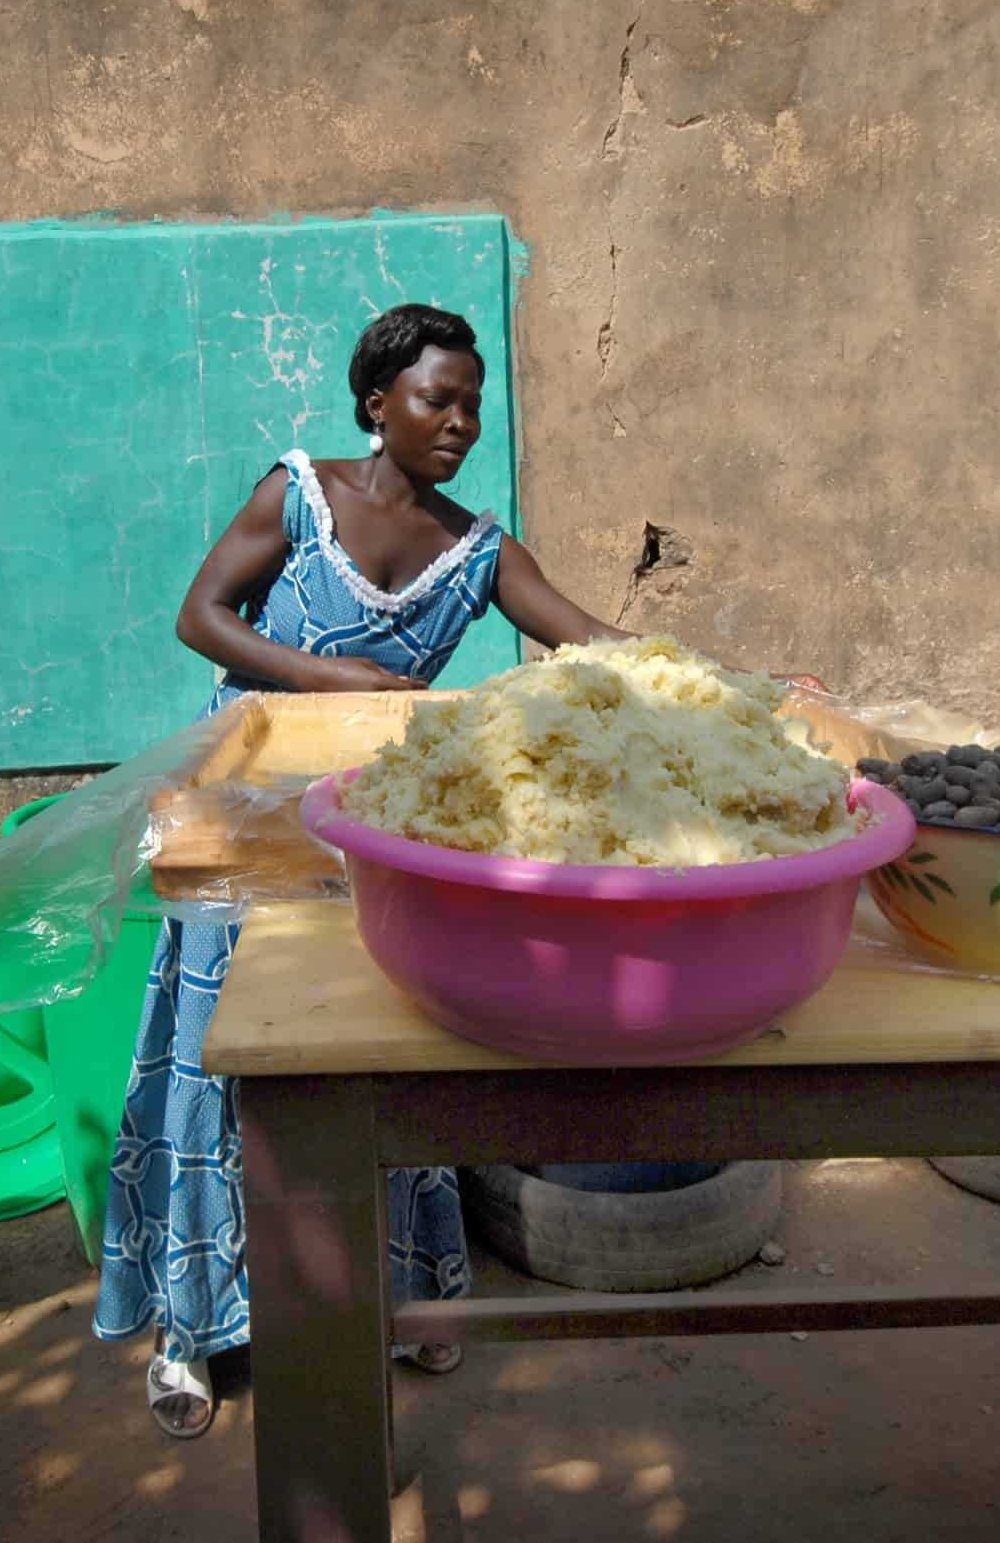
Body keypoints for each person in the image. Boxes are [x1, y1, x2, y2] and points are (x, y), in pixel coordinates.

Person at [90, 303, 801, 1438]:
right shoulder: (297, 496)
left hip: (369, 834)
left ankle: (398, 1293)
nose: (461, 424)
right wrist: (327, 683)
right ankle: (196, 1325)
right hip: (243, 819)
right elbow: (200, 619)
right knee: (223, 1061)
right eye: (438, 400)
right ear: (377, 405)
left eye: (473, 405)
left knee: (369, 1058)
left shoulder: (478, 551)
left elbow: (597, 642)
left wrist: (744, 686)